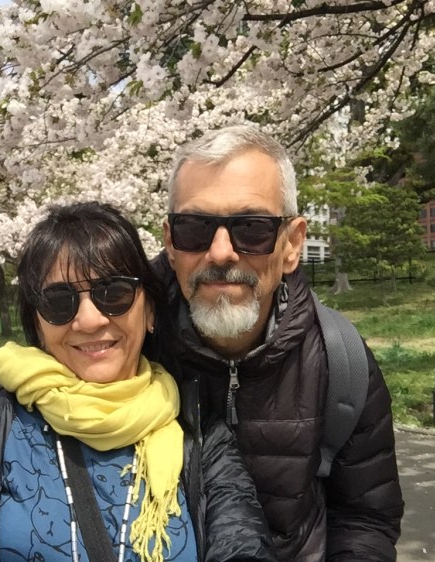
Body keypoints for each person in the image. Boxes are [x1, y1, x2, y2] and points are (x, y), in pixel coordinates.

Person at [0, 202, 274, 562]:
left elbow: (241, 544)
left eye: (114, 293)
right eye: (59, 302)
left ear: (149, 312)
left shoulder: (202, 436)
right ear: (38, 326)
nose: (90, 320)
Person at [144, 124, 404, 561]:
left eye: (252, 229)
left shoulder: (341, 362)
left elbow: (365, 518)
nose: (221, 252)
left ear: (292, 244)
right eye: (195, 228)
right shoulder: (126, 345)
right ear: (170, 243)